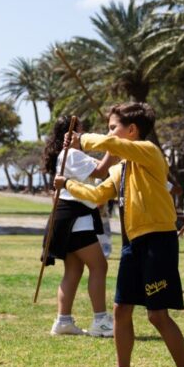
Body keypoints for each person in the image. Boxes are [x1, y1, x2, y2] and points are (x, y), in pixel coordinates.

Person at [55, 102, 184, 367]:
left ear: (132, 130)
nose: (109, 132)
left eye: (113, 127)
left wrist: (82, 140)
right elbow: (98, 195)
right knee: (121, 310)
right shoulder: (121, 168)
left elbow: (112, 145)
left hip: (158, 241)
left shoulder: (148, 151)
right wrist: (68, 184)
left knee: (157, 315)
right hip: (132, 244)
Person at [42, 116, 114, 338]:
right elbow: (101, 171)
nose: (84, 134)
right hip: (75, 219)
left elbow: (100, 169)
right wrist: (114, 144)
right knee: (99, 266)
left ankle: (63, 321)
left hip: (69, 218)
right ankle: (100, 321)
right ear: (73, 132)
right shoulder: (71, 154)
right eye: (81, 130)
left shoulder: (72, 155)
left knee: (74, 270)